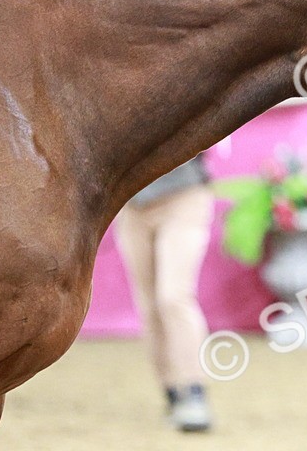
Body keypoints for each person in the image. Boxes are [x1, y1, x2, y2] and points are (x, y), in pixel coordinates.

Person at [115, 154, 217, 432]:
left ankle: (194, 391)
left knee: (174, 298)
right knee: (149, 307)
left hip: (183, 195)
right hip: (132, 206)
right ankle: (172, 392)